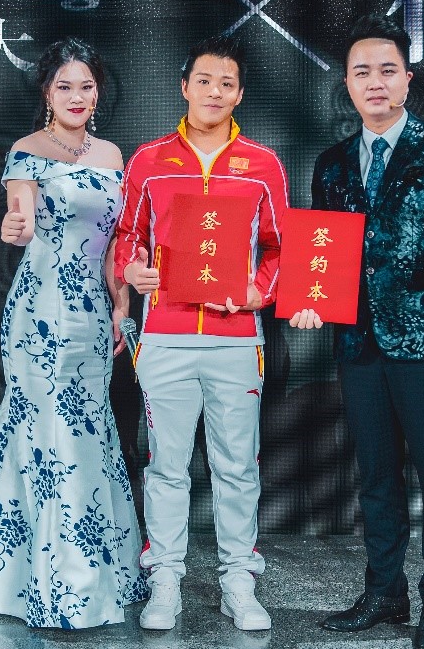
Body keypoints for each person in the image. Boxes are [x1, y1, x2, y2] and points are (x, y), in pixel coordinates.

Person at [289, 13, 424, 649]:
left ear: (407, 78)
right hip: (358, 343)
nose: (374, 82)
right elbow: (322, 254)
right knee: (376, 476)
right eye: (362, 72)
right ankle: (384, 592)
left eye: (386, 70)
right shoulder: (331, 164)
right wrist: (310, 301)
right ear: (347, 85)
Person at [0, 36, 149, 629]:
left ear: (98, 92)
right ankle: (55, 586)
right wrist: (15, 227)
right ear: (46, 92)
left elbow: (113, 245)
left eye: (87, 86)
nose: (77, 96)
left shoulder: (112, 155)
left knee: (89, 429)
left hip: (94, 314)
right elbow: (22, 219)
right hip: (40, 313)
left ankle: (94, 573)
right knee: (46, 433)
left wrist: (121, 306)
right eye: (65, 86)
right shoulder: (26, 152)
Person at [115, 34, 290, 632]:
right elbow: (127, 236)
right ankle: (164, 578)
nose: (214, 92)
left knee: (237, 465)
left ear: (240, 95)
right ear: (184, 87)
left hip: (236, 337)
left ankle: (238, 579)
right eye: (204, 81)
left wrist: (258, 292)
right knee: (166, 465)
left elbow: (280, 248)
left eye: (227, 84)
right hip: (164, 334)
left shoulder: (263, 165)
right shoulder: (149, 160)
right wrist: (131, 269)